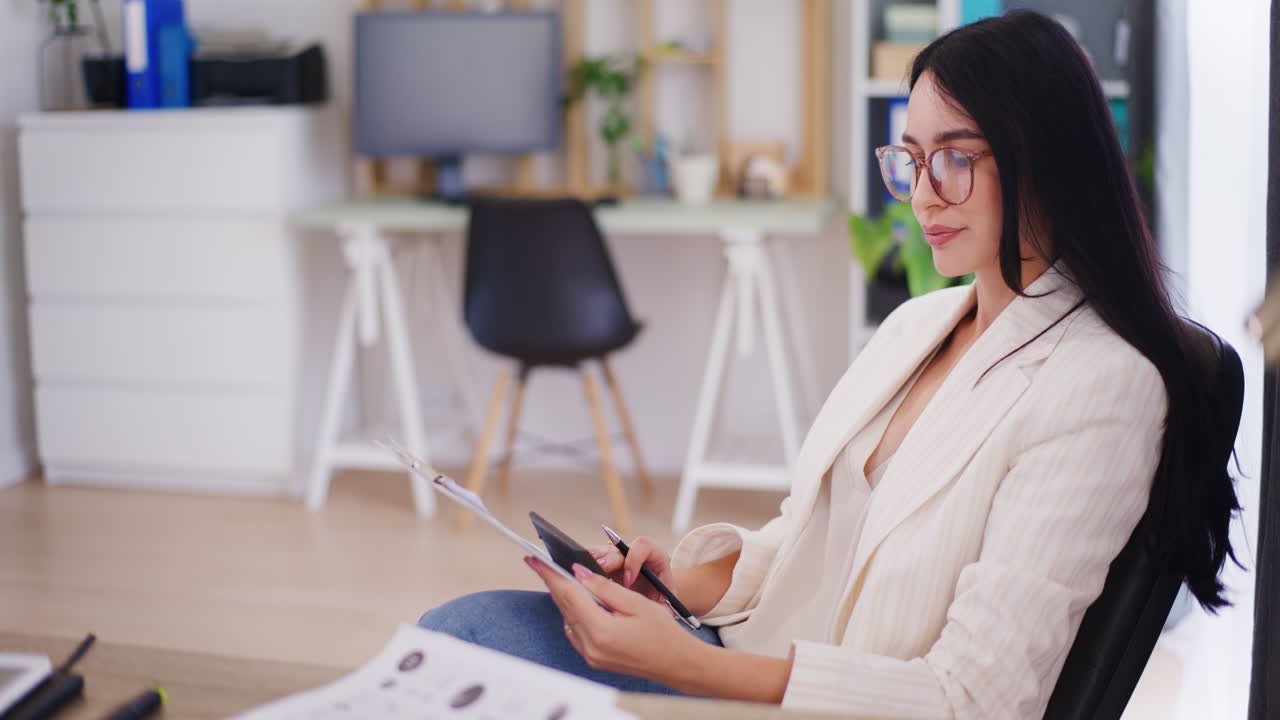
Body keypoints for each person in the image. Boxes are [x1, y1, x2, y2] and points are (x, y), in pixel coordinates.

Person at [418, 10, 1241, 717]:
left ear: (1049, 159)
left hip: (800, 698)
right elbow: (810, 540)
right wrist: (683, 585)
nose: (922, 195)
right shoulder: (917, 325)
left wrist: (679, 661)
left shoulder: (1103, 385)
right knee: (457, 639)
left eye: (956, 157)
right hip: (744, 660)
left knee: (470, 657)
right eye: (911, 160)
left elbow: (976, 700)